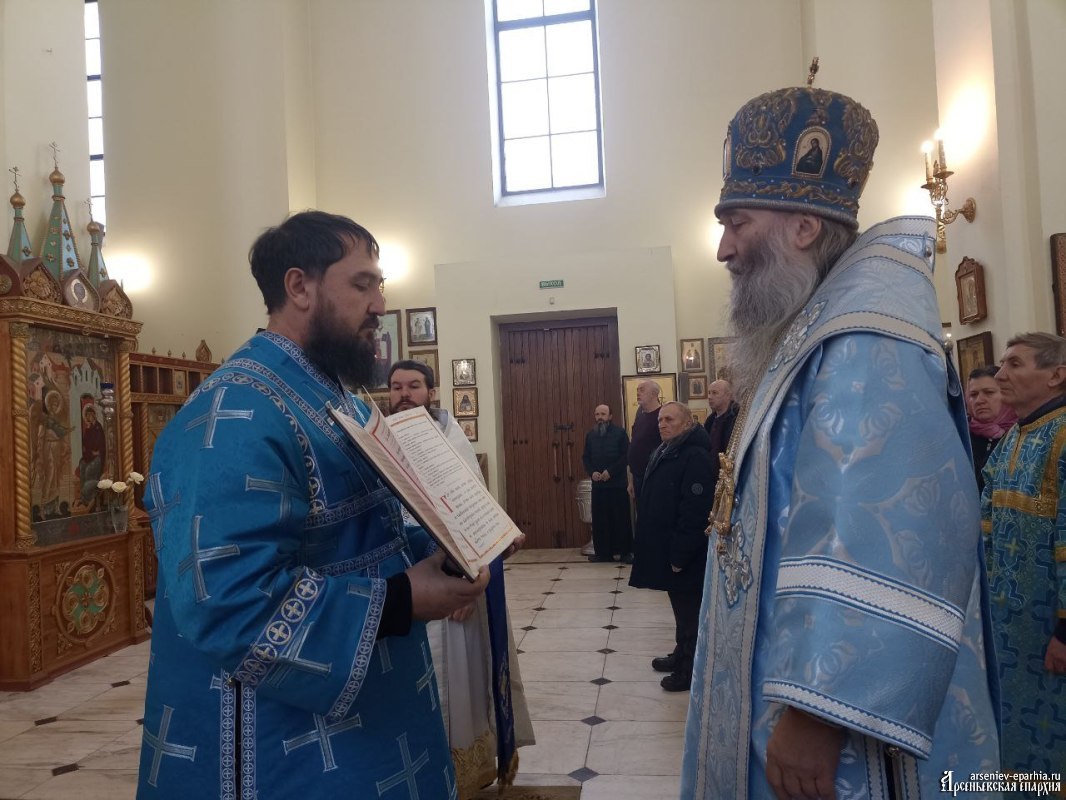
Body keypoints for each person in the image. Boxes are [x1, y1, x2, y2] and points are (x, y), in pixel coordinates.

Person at [682, 78, 1000, 798]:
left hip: (830, 719)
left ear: (802, 228)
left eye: (736, 222)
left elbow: (883, 526)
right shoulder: (814, 326)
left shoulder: (865, 337)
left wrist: (817, 713)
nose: (724, 248)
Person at [138, 211, 490, 799]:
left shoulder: (340, 398)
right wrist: (401, 600)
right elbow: (229, 601)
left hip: (375, 721)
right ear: (299, 287)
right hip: (285, 748)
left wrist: (448, 551)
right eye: (362, 284)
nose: (380, 305)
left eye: (379, 285)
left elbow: (369, 530)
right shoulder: (235, 414)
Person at [387, 359, 533, 798]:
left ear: (431, 392)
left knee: (456, 677)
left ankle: (461, 772)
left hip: (451, 575)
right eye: (396, 387)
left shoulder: (451, 438)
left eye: (414, 386)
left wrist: (469, 584)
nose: (404, 394)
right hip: (397, 579)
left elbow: (472, 509)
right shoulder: (378, 437)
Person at [981, 332, 1066, 775]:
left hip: (1052, 628)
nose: (1000, 375)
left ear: (1057, 375)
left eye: (1015, 364)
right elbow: (985, 526)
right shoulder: (1013, 436)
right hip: (1009, 626)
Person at [629, 402, 714, 692]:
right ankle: (681, 654)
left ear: (688, 423)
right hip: (668, 546)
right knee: (679, 609)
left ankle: (689, 670)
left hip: (685, 552)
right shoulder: (667, 449)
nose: (662, 424)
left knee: (690, 613)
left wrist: (681, 554)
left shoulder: (695, 456)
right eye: (660, 420)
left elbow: (695, 510)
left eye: (669, 419)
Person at [582, 403, 632, 563]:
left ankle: (625, 552)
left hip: (617, 485)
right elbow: (586, 457)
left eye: (603, 414)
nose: (600, 418)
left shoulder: (620, 433)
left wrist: (610, 472)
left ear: (610, 416)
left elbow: (626, 456)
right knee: (600, 520)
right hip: (599, 486)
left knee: (620, 519)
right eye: (597, 414)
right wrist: (592, 472)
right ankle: (603, 553)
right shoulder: (591, 435)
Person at [966, 365, 1015, 492]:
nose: (979, 400)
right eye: (973, 394)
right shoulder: (961, 437)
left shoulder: (1022, 433)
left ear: (1006, 394)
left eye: (989, 392)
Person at [627, 380, 662, 504]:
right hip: (637, 478)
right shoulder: (640, 416)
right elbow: (634, 448)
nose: (638, 393)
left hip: (655, 478)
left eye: (642, 390)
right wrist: (631, 481)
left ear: (654, 394)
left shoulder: (662, 416)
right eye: (637, 390)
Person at [702, 378, 738, 490]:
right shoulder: (710, 420)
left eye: (714, 393)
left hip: (730, 476)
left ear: (728, 395)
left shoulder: (736, 418)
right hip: (712, 476)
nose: (709, 397)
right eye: (709, 393)